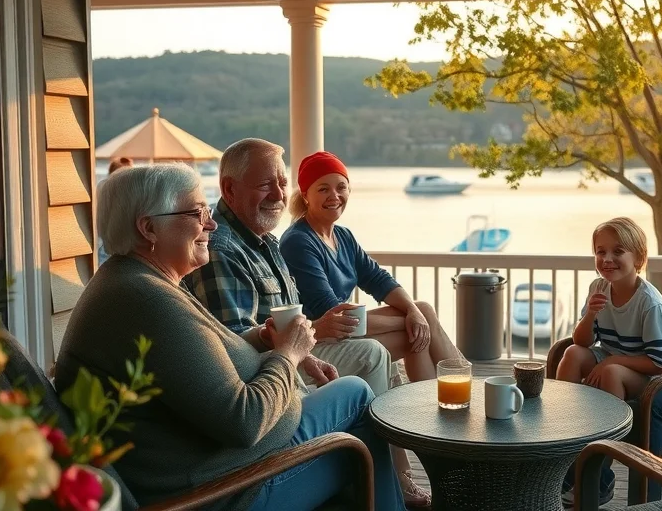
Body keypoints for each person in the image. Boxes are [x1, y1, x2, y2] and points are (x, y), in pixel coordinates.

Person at [54, 163, 405, 511]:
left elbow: (201, 354)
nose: (211, 223)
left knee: (352, 417)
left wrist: (260, 340)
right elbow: (245, 421)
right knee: (355, 395)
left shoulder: (136, 280)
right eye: (196, 213)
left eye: (207, 210)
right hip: (226, 490)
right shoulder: (144, 299)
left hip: (228, 464)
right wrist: (288, 354)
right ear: (149, 228)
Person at [183, 139, 430, 507]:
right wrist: (296, 354)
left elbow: (365, 283)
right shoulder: (227, 251)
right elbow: (235, 352)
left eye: (282, 183)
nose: (278, 193)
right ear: (230, 189)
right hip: (271, 412)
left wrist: (307, 355)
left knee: (415, 320)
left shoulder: (266, 241)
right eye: (266, 184)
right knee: (370, 365)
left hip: (296, 366)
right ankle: (386, 477)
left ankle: (422, 449)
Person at [279, 151, 463, 385]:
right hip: (318, 341)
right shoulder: (299, 241)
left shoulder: (343, 236)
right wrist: (416, 316)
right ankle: (458, 390)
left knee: (420, 320)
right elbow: (333, 313)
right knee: (418, 327)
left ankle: (443, 397)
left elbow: (378, 279)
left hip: (347, 332)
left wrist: (414, 311)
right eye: (323, 189)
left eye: (341, 187)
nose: (334, 195)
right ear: (305, 195)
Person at [557, 216, 662, 507]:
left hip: (642, 374)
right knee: (571, 354)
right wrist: (590, 315)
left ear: (639, 258)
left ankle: (601, 476)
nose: (607, 259)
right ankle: (562, 435)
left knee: (613, 373)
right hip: (609, 360)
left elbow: (659, 362)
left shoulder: (650, 303)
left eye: (618, 252)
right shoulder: (599, 286)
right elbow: (582, 342)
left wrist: (612, 362)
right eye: (600, 251)